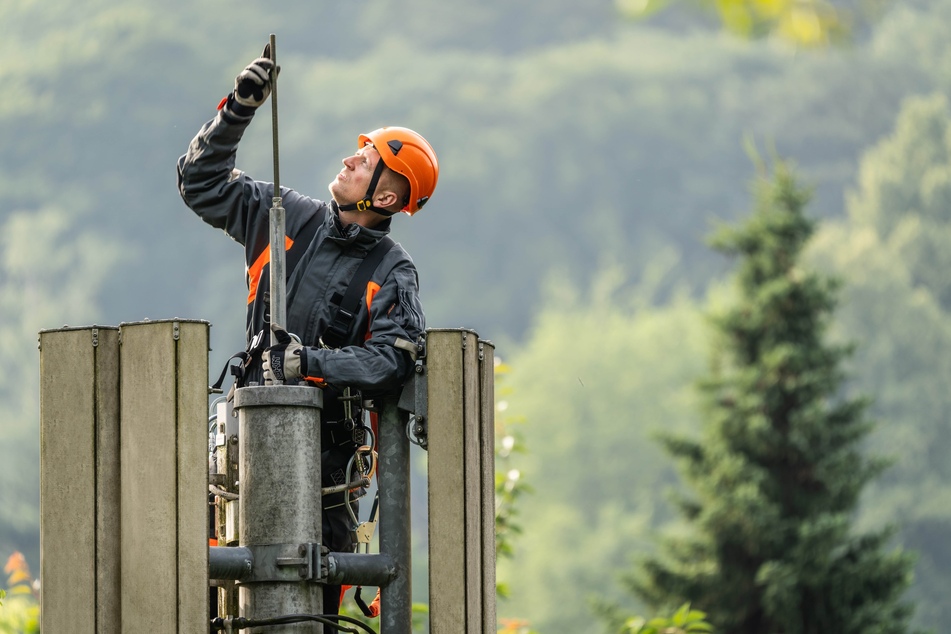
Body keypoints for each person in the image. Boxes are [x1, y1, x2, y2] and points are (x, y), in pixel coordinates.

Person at [176, 45, 438, 616]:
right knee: (215, 606)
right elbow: (200, 182)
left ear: (387, 196)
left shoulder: (391, 271)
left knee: (307, 613)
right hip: (239, 453)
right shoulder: (287, 216)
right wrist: (238, 110)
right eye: (357, 153)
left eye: (365, 161)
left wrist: (309, 365)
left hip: (323, 481)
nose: (349, 161)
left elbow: (391, 362)